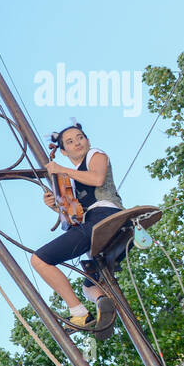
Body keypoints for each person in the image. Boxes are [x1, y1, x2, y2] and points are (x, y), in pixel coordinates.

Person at [30, 122, 125, 331]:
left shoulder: (95, 155)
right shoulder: (72, 179)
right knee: (90, 286)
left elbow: (98, 179)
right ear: (63, 151)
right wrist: (56, 207)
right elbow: (75, 216)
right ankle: (102, 303)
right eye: (70, 142)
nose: (77, 143)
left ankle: (79, 314)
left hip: (105, 217)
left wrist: (61, 170)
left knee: (39, 260)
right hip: (99, 225)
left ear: (87, 140)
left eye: (80, 137)